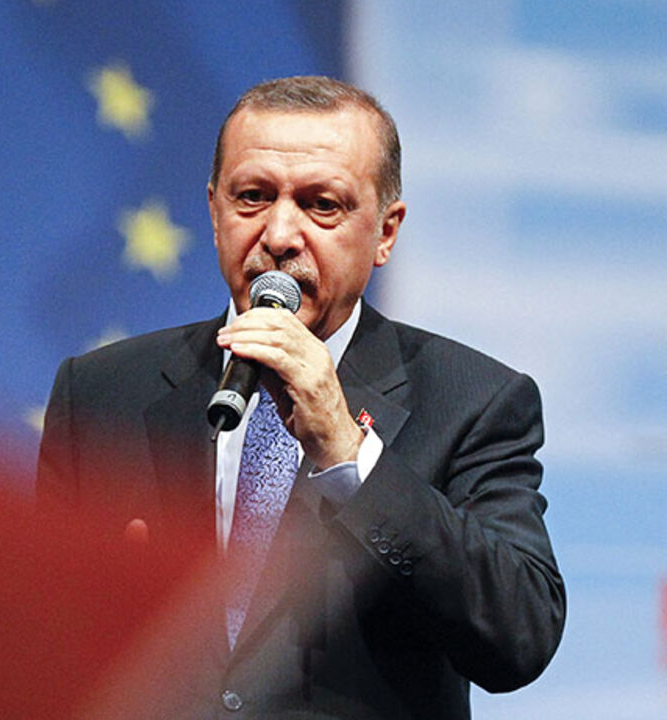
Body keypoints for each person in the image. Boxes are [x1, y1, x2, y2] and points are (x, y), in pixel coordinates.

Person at [37, 76, 565, 719]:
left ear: (385, 232)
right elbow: (37, 643)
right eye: (253, 197)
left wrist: (348, 452)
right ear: (213, 210)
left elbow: (518, 638)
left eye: (322, 205)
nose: (280, 234)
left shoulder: (473, 401)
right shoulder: (100, 392)